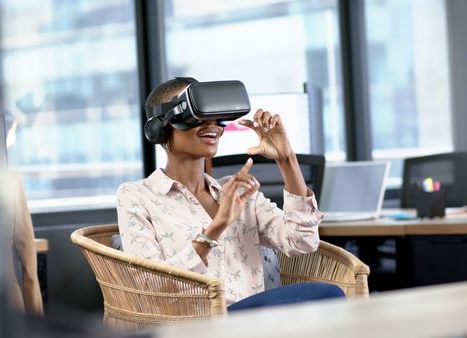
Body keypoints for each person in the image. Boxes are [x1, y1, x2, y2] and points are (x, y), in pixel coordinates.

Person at [116, 77, 344, 311]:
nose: (212, 125)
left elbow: (303, 242)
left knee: (329, 299)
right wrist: (216, 227)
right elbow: (150, 288)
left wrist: (286, 159)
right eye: (198, 117)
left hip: (257, 322)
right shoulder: (136, 196)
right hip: (198, 325)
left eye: (215, 117)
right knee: (328, 295)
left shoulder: (240, 192)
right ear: (160, 128)